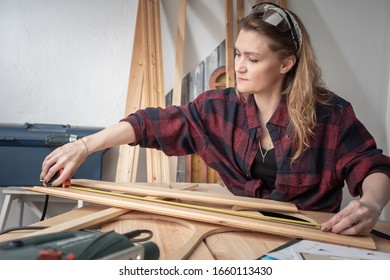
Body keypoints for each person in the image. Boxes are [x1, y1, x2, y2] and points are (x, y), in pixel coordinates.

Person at [40, 2, 390, 236]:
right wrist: (85, 146)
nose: (238, 66)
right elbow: (151, 123)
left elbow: (373, 165)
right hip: (237, 231)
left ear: (286, 64)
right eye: (237, 53)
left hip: (309, 239)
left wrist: (371, 203)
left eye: (252, 59)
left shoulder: (330, 114)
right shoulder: (219, 109)